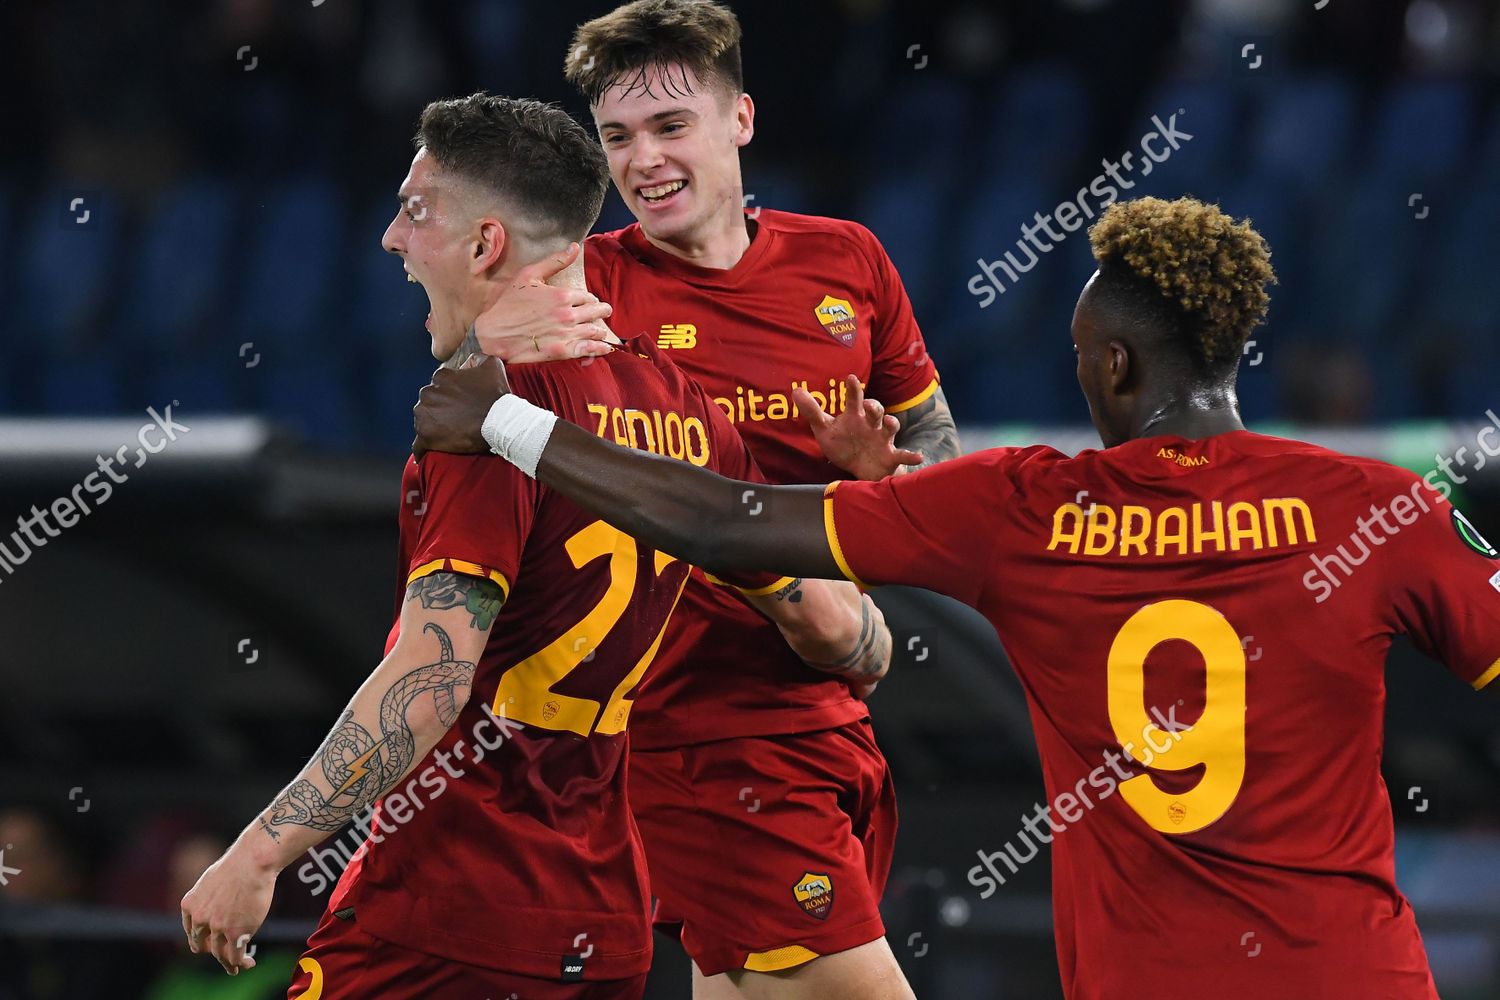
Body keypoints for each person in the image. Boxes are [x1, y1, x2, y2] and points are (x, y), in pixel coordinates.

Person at [413, 196, 1500, 999]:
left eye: (1082, 358)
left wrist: (504, 421)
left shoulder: (1023, 506)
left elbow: (717, 520)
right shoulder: (1380, 509)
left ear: (1113, 366)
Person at [179, 93, 889, 1000]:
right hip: (602, 914)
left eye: (414, 211)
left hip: (452, 904)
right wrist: (869, 616)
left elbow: (433, 682)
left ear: (485, 246)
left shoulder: (487, 416)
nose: (393, 239)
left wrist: (259, 851)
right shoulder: (688, 410)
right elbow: (834, 630)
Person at [462, 4, 955, 994]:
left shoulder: (849, 262)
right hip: (700, 736)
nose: (643, 158)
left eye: (670, 125)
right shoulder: (577, 290)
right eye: (618, 137)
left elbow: (933, 465)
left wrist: (878, 477)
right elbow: (472, 435)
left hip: (824, 709)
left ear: (741, 119)